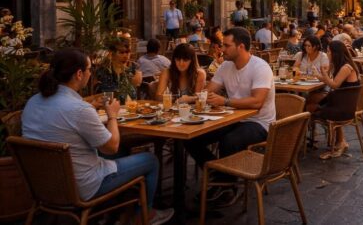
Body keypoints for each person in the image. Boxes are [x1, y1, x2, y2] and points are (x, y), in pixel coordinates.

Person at [22, 49, 174, 225]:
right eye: (89, 69)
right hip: (82, 187)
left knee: (120, 154)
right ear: (79, 74)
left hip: (43, 185)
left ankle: (120, 209)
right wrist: (113, 116)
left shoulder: (33, 102)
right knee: (150, 160)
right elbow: (111, 146)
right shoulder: (78, 109)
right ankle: (144, 215)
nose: (90, 73)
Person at [185, 28, 275, 204]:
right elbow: (209, 91)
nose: (221, 49)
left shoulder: (260, 67)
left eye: (226, 45)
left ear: (240, 47)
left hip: (259, 123)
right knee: (191, 137)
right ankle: (218, 175)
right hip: (232, 118)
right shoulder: (225, 66)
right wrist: (190, 99)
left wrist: (225, 102)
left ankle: (226, 187)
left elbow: (257, 102)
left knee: (230, 141)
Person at [310, 40, 362, 159]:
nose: (327, 53)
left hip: (344, 109)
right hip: (342, 103)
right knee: (313, 101)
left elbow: (334, 85)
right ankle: (340, 142)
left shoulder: (346, 67)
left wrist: (324, 73)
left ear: (335, 53)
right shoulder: (342, 65)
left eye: (328, 51)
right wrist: (319, 75)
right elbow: (331, 82)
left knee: (311, 107)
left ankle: (337, 142)